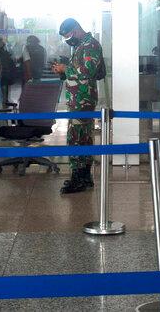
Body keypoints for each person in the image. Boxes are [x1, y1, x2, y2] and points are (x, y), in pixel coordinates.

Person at [51, 18, 106, 195]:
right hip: (78, 99)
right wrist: (64, 70)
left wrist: (65, 68)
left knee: (77, 137)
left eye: (67, 35)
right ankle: (84, 176)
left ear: (75, 30)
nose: (67, 39)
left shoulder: (90, 45)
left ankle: (78, 177)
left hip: (83, 100)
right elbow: (78, 72)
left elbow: (88, 71)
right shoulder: (81, 45)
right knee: (82, 136)